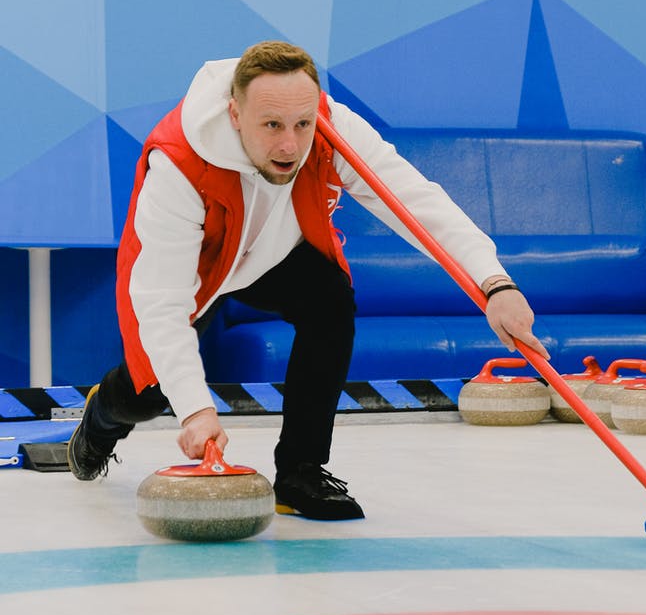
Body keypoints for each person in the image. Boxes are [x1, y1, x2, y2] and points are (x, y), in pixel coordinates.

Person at [68, 40, 549, 519]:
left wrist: (495, 283)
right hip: (199, 266)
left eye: (302, 124)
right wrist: (196, 411)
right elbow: (162, 303)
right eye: (272, 125)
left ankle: (301, 473)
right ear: (235, 115)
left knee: (330, 301)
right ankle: (102, 417)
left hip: (276, 253)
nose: (290, 145)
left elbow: (415, 202)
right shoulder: (177, 162)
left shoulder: (332, 128)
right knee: (152, 393)